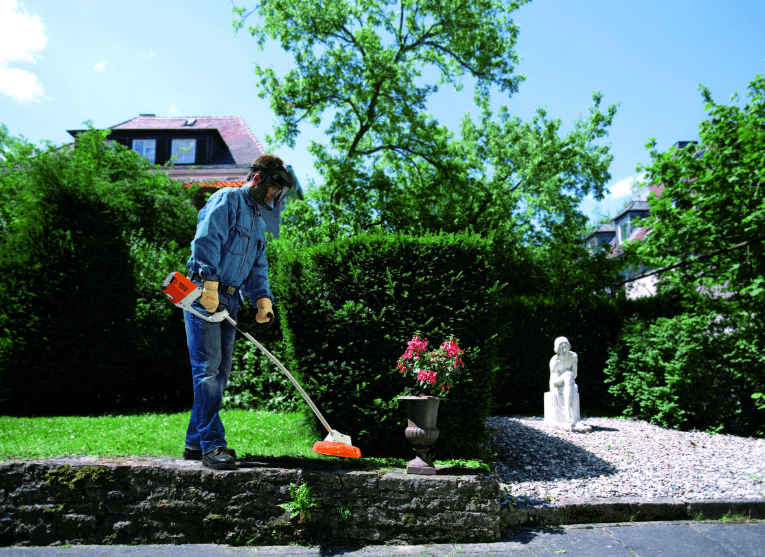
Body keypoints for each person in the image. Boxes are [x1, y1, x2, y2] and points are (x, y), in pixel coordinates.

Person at [182, 154, 294, 470]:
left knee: (219, 374)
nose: (276, 194)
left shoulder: (257, 221)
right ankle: (211, 445)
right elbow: (206, 240)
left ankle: (194, 442)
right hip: (203, 295)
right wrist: (209, 286)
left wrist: (262, 301)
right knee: (208, 370)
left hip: (229, 301)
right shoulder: (227, 199)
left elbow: (259, 266)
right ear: (258, 179)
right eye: (274, 187)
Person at [549, 336, 578, 425]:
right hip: (557, 384)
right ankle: (567, 411)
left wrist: (568, 375)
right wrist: (566, 375)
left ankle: (569, 413)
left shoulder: (573, 356)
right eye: (561, 348)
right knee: (568, 377)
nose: (564, 350)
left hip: (569, 382)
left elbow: (575, 374)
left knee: (573, 383)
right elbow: (555, 381)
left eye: (565, 347)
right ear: (557, 349)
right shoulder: (554, 361)